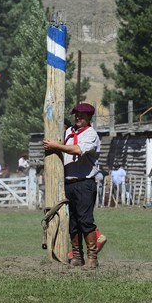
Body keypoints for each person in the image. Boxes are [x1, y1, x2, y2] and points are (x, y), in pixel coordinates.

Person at [43, 102, 101, 268]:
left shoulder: (91, 134)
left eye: (82, 115)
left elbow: (77, 150)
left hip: (84, 183)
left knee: (85, 220)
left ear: (89, 117)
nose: (78, 117)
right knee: (72, 221)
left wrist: (56, 145)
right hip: (68, 184)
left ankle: (92, 257)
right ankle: (77, 255)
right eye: (76, 114)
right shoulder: (69, 132)